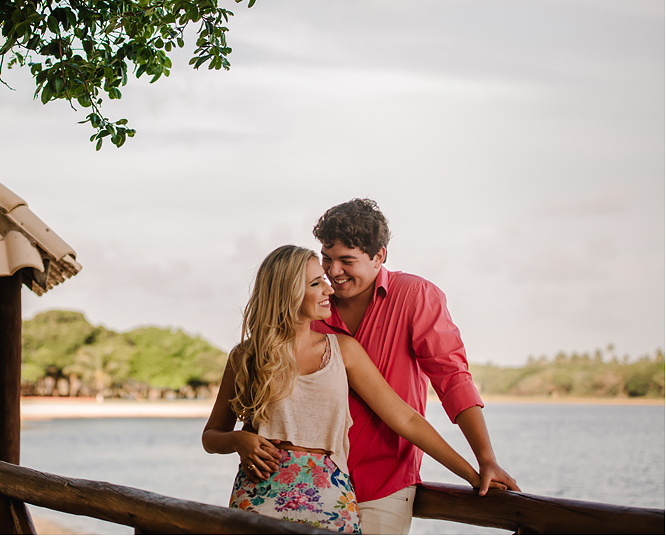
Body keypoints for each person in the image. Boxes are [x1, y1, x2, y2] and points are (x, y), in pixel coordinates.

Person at [202, 245, 499, 532]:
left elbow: (406, 419)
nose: (329, 289)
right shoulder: (245, 357)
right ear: (288, 292)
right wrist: (239, 441)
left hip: (331, 498)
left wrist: (474, 474)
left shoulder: (344, 351)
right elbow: (211, 436)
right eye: (317, 283)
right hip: (259, 497)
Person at [312, 199, 520, 534]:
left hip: (384, 485)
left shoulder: (416, 296)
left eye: (346, 261)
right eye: (327, 258)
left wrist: (485, 460)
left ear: (379, 256)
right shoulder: (312, 305)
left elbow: (452, 379)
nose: (333, 271)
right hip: (309, 481)